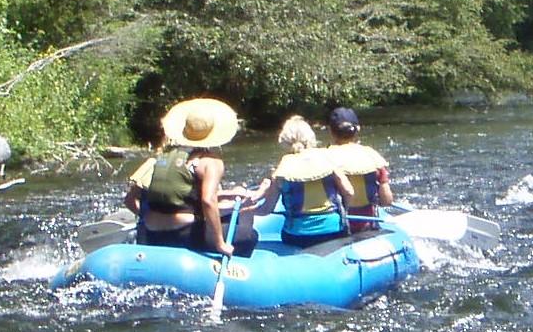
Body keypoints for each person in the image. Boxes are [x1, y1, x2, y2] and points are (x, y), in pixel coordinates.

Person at [126, 98, 264, 257]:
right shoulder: (210, 161)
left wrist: (230, 196)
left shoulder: (162, 157)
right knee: (249, 236)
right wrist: (220, 244)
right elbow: (208, 201)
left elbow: (184, 194)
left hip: (151, 234)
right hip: (184, 234)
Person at [253, 115, 354, 247]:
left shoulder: (282, 168)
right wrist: (343, 212)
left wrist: (246, 211)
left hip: (297, 236)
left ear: (284, 140)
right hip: (333, 230)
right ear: (311, 137)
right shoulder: (327, 159)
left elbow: (267, 209)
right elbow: (349, 192)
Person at [324, 107, 393, 233]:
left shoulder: (324, 157)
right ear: (357, 130)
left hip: (338, 226)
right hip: (368, 223)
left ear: (331, 131)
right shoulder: (372, 156)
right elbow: (387, 201)